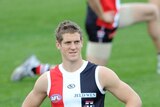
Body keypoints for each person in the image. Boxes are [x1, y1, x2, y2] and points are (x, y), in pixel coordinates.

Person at [10, 0, 160, 81]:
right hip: (102, 22)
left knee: (152, 12)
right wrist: (102, 15)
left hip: (115, 15)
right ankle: (34, 67)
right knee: (87, 73)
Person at [21, 20, 142, 107]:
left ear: (81, 42)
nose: (73, 47)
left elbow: (134, 99)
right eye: (68, 43)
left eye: (76, 42)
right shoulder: (47, 80)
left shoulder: (100, 74)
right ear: (58, 45)